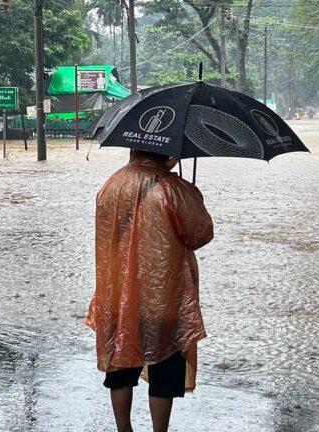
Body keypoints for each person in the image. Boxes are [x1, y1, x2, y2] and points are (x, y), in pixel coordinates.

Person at [85, 150, 214, 432]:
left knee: (120, 362)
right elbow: (200, 234)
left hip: (117, 292)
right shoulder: (173, 188)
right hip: (163, 294)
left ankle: (123, 429)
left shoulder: (111, 184)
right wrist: (195, 197)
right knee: (164, 364)